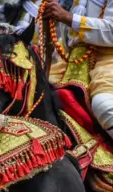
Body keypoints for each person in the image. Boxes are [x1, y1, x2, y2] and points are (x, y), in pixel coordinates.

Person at [11, 0, 113, 139]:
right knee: (30, 92)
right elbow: (46, 32)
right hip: (69, 61)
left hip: (108, 61)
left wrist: (69, 18)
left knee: (104, 106)